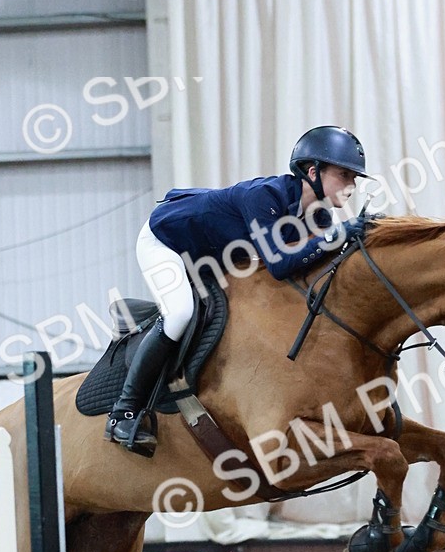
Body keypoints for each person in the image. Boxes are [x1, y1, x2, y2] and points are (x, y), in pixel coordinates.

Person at [106, 125, 370, 455]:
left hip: (212, 255)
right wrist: (339, 236)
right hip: (167, 241)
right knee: (180, 314)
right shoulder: (264, 196)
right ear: (313, 171)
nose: (351, 185)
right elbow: (279, 264)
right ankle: (123, 413)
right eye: (344, 175)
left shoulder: (318, 218)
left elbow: (315, 267)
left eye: (354, 179)